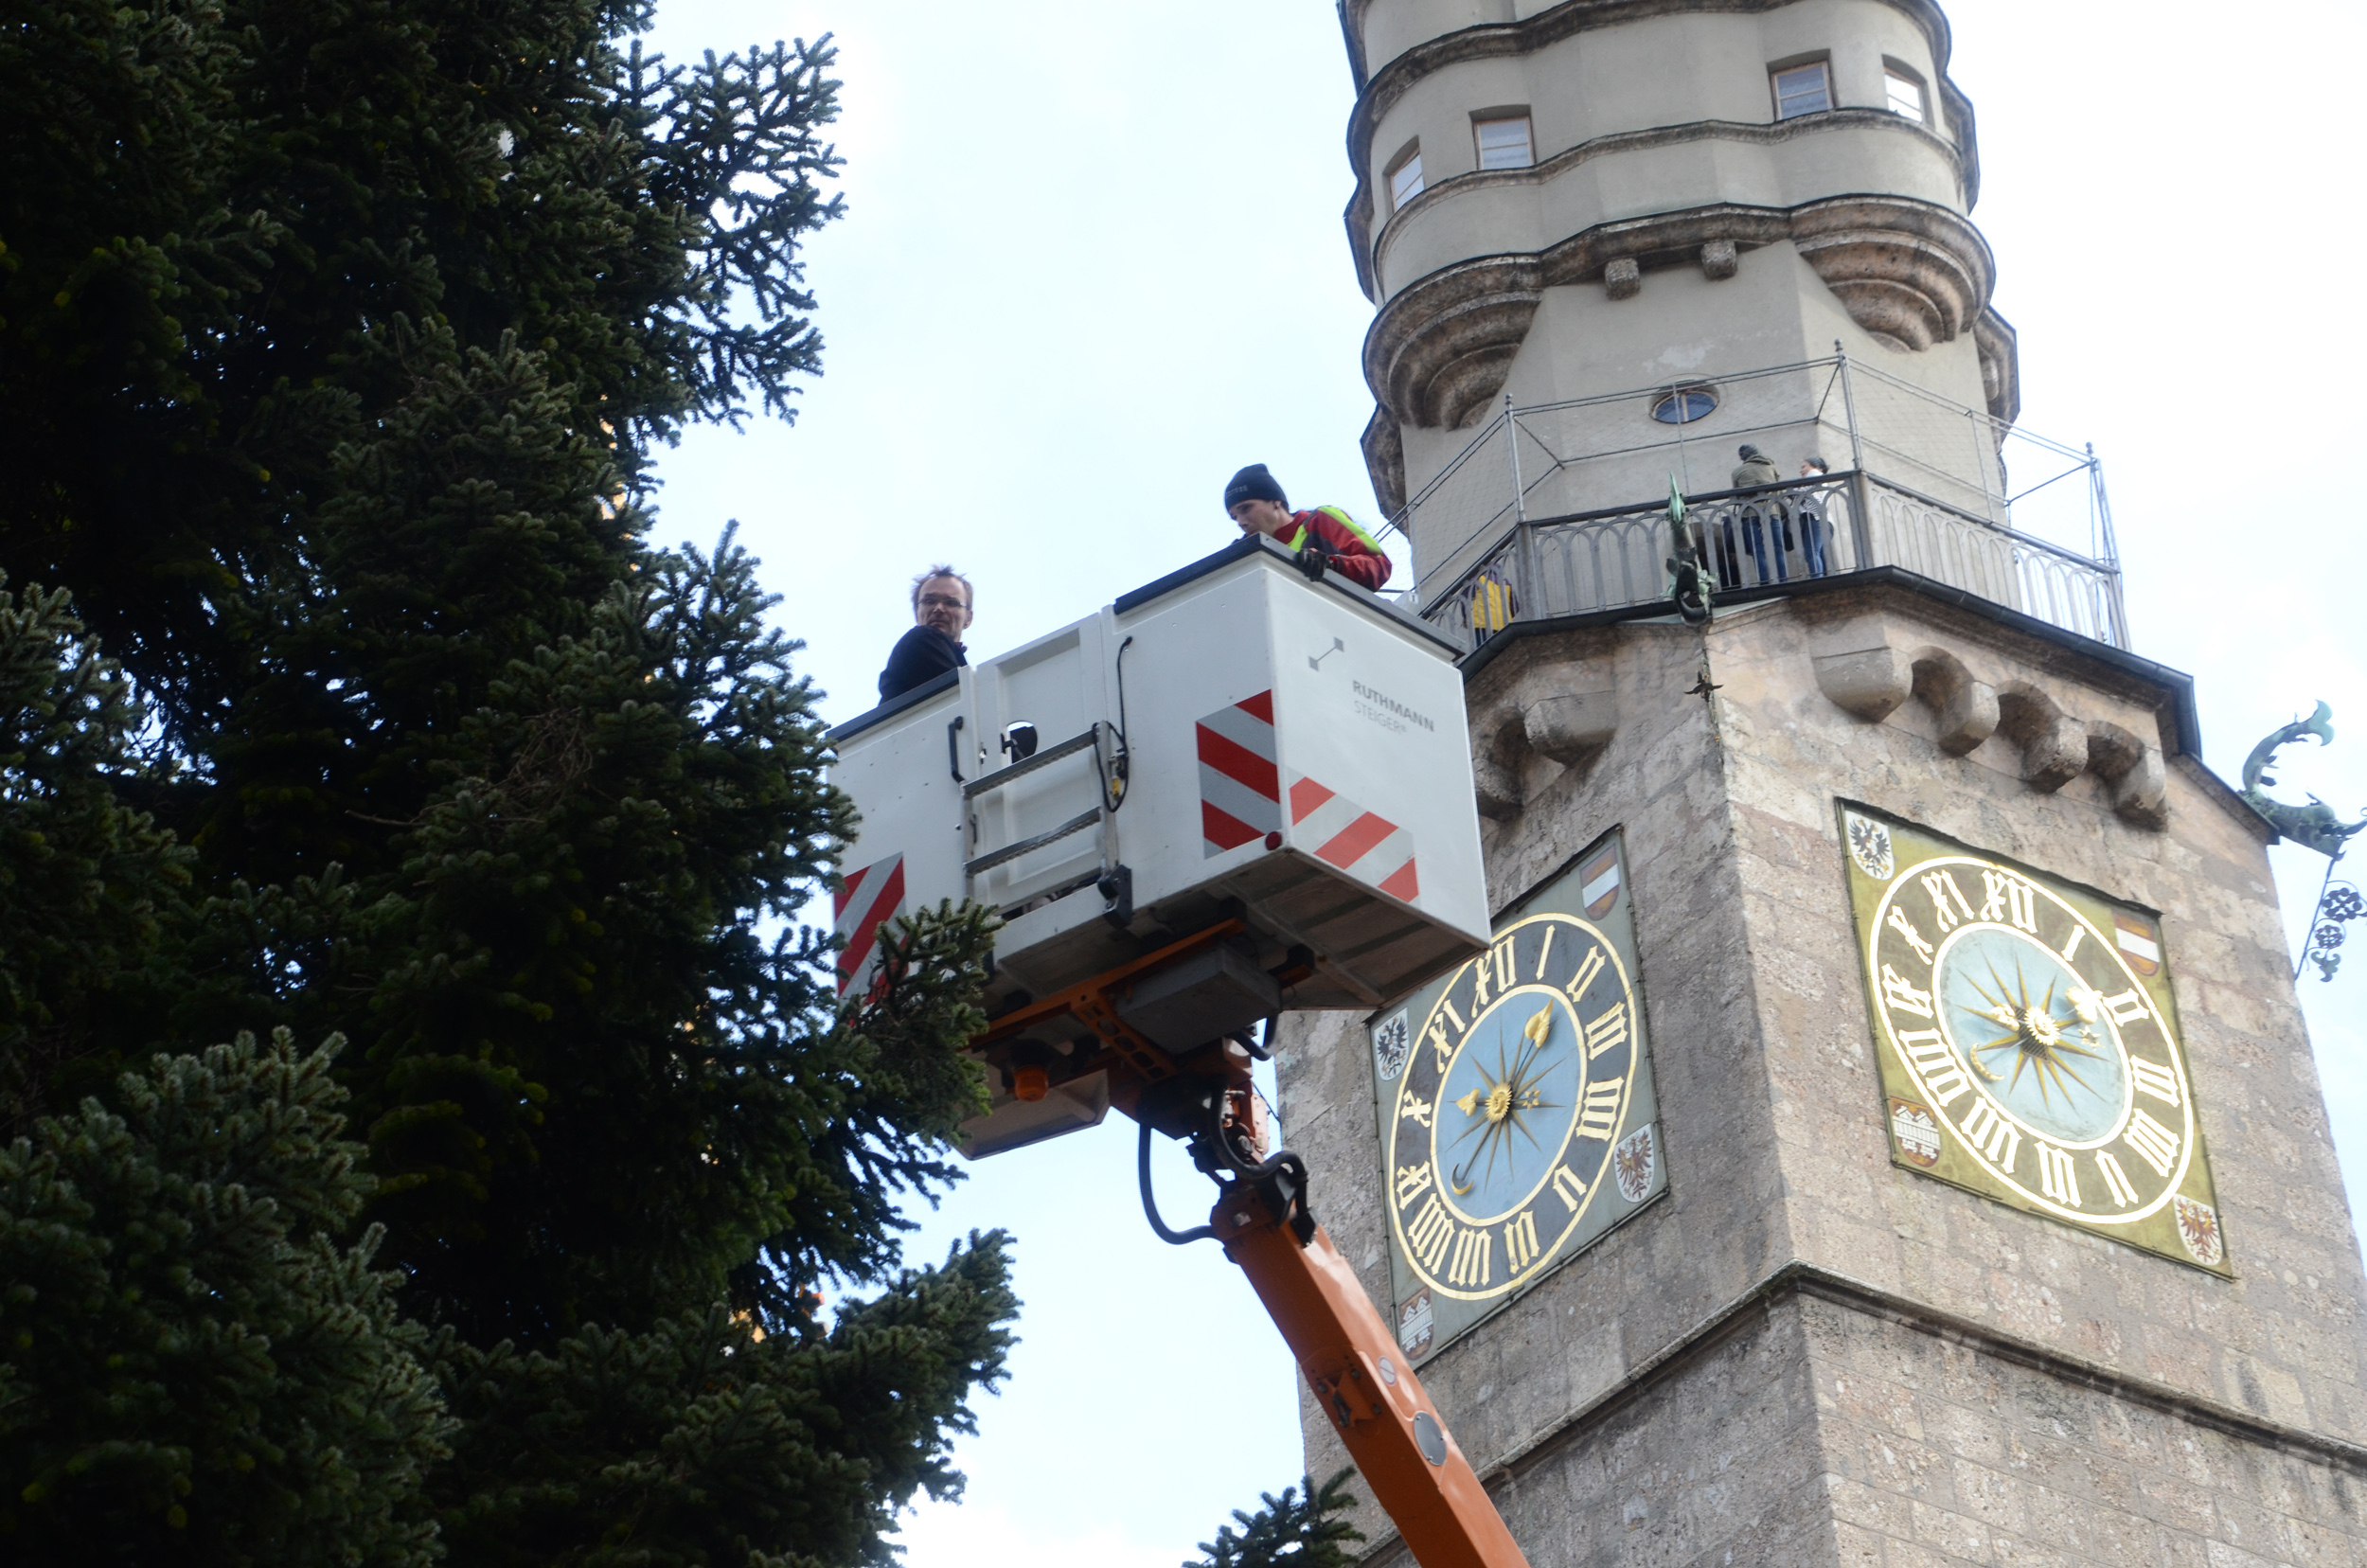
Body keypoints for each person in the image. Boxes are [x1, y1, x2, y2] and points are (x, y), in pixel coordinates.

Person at [1222, 464, 1393, 591]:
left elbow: (1379, 565)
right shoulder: (1243, 554)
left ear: (1276, 501)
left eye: (1246, 508)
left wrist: (1331, 564)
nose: (1241, 522)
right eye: (1234, 517)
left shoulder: (1319, 521)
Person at [877, 565, 972, 704]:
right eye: (929, 601)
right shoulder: (922, 639)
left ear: (968, 618)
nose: (938, 608)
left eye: (951, 603)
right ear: (916, 612)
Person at [1729, 444, 1787, 586]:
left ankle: (1764, 581)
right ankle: (1783, 578)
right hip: (1771, 510)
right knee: (1777, 547)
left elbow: (1736, 495)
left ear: (1743, 456)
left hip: (1749, 513)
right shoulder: (1770, 467)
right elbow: (1779, 491)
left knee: (1757, 549)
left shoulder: (1737, 472)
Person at [1794, 455, 1832, 577]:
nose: (1801, 471)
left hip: (1815, 519)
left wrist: (1789, 491)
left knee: (1812, 553)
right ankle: (1824, 578)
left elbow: (1798, 493)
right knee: (1819, 553)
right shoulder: (1821, 480)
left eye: (1804, 466)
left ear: (1815, 467)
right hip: (1824, 521)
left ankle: (1817, 578)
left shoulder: (1814, 474)